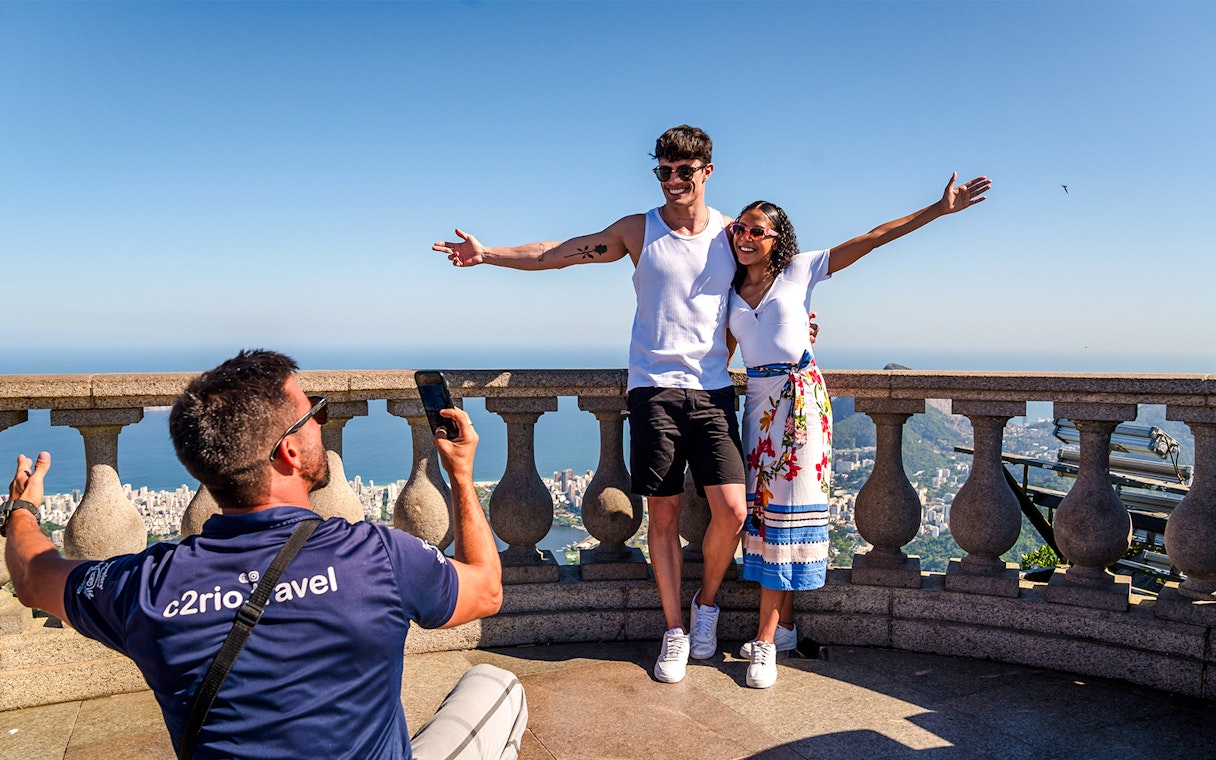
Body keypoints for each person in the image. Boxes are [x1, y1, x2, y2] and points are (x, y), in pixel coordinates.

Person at [2, 350, 527, 759]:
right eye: (314, 412)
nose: (321, 421)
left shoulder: (144, 588)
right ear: (289, 451)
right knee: (498, 686)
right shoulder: (375, 557)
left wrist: (22, 510)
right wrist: (460, 473)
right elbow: (486, 589)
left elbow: (32, 574)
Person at [434, 125, 746, 683]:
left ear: (707, 171)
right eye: (663, 171)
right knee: (665, 513)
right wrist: (489, 255)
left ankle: (707, 606)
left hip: (715, 390)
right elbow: (558, 254)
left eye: (684, 171)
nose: (673, 181)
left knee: (733, 511)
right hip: (653, 389)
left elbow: (776, 282)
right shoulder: (638, 230)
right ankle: (675, 630)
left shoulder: (731, 233)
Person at [727, 174, 990, 689]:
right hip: (757, 407)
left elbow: (872, 237)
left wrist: (937, 210)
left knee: (784, 521)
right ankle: (784, 629)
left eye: (757, 231)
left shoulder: (800, 272)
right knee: (763, 521)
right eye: (739, 228)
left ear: (779, 240)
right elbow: (721, 351)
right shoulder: (731, 289)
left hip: (800, 405)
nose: (744, 237)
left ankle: (763, 643)